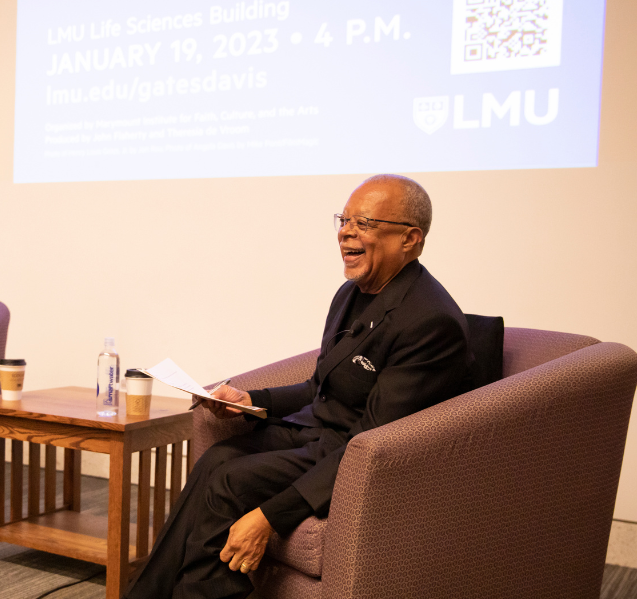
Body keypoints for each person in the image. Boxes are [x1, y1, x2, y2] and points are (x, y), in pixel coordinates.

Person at [124, 174, 474, 599]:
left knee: (231, 481)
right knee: (215, 460)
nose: (346, 231)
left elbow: (372, 441)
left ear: (410, 239)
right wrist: (250, 401)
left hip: (352, 452)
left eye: (363, 222)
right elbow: (319, 386)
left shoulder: (429, 322)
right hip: (316, 433)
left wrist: (269, 517)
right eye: (343, 220)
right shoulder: (351, 293)